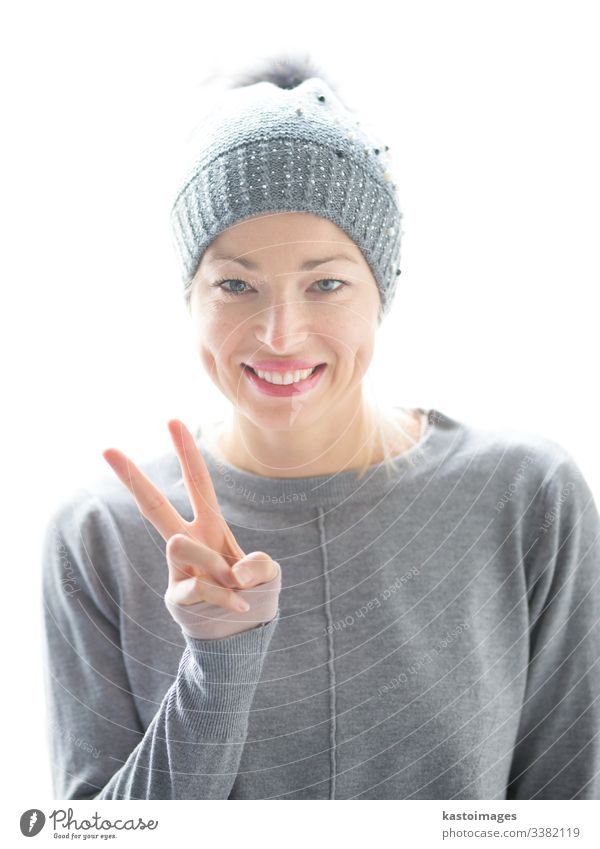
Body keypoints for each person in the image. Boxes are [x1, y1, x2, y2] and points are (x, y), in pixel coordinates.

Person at [41, 53, 600, 801]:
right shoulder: (100, 536)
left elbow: (569, 811)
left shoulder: (527, 496)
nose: (279, 333)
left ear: (382, 289)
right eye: (236, 283)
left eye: (326, 282)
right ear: (190, 297)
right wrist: (218, 661)